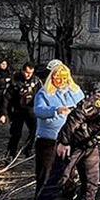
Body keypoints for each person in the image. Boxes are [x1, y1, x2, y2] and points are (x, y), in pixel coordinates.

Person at [32, 60, 85, 190]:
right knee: (45, 173)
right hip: (49, 139)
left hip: (70, 139)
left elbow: (84, 110)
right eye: (57, 78)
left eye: (64, 78)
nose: (61, 82)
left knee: (68, 171)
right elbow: (38, 110)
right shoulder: (44, 93)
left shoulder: (75, 92)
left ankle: (67, 197)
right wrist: (56, 110)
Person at [5, 62, 41, 158]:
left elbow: (41, 96)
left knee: (34, 131)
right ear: (23, 71)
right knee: (16, 134)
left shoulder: (37, 81)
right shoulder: (15, 80)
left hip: (31, 110)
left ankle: (28, 149)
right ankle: (10, 154)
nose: (28, 75)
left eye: (31, 73)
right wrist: (3, 113)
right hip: (18, 110)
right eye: (27, 72)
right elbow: (7, 98)